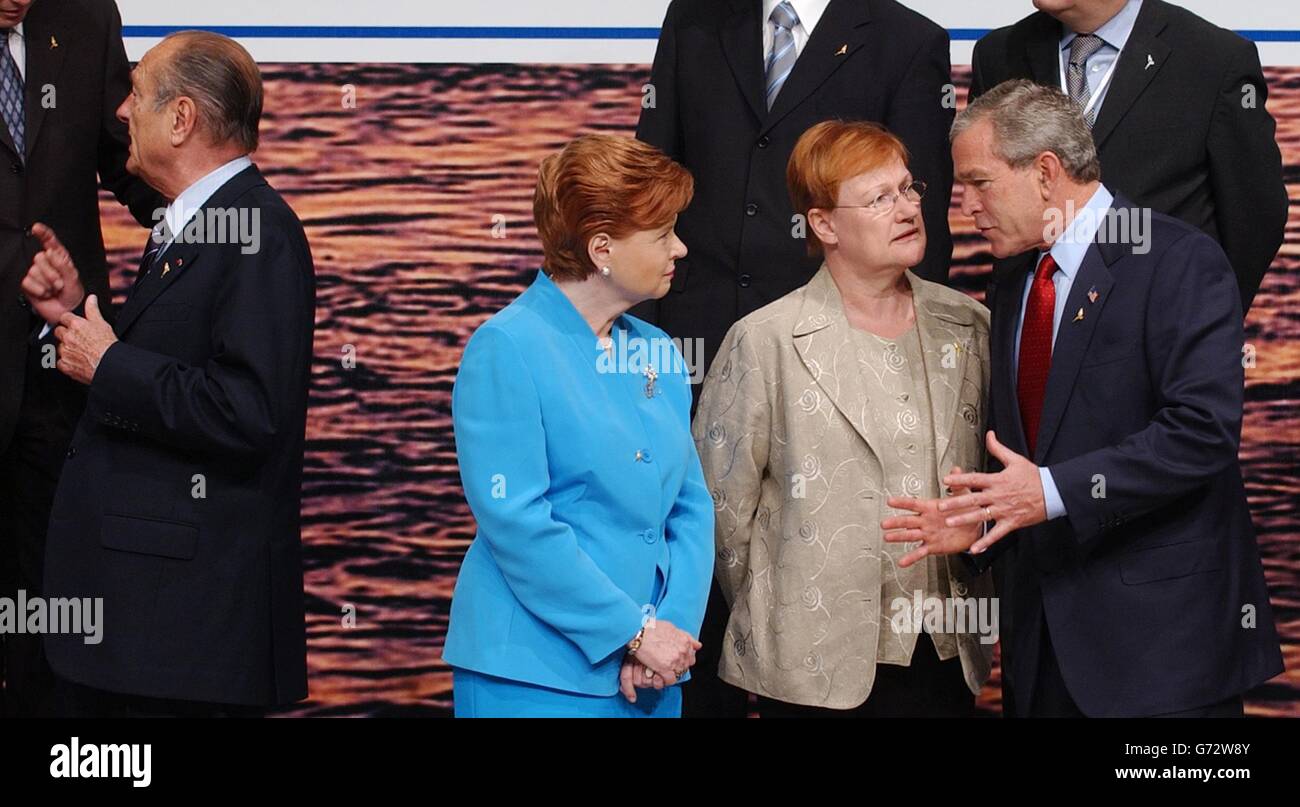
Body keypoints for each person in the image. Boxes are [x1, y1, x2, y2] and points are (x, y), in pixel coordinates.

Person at [891, 79, 1283, 717]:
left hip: (1162, 655)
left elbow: (1201, 434)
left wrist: (1045, 493)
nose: (966, 207)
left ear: (1045, 173)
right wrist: (981, 520)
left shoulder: (1177, 259)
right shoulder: (1017, 278)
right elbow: (1034, 450)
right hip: (1041, 651)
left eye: (979, 183)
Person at [637, 0, 958, 718]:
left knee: (810, 585)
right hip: (688, 357)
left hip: (831, 374)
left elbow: (918, 233)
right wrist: (638, 351)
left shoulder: (907, 40)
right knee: (696, 578)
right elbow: (648, 188)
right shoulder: (695, 17)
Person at [22, 30, 315, 716]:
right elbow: (177, 367)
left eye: (138, 94)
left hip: (183, 643)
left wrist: (110, 362)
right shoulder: (199, 225)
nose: (121, 111)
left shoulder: (258, 231)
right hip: (150, 636)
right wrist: (72, 317)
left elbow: (249, 412)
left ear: (182, 118)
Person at [695, 120, 995, 717]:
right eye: (879, 198)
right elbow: (719, 514)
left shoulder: (970, 324)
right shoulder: (765, 340)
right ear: (824, 224)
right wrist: (779, 612)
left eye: (909, 190)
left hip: (946, 651)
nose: (906, 209)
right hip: (812, 663)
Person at [443, 134, 714, 718]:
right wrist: (632, 633)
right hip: (534, 677)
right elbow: (517, 522)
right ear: (601, 248)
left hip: (655, 678)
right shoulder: (507, 346)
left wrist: (671, 634)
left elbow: (691, 507)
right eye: (663, 234)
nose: (681, 248)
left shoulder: (659, 350)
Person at [0, 0, 163, 716]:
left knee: (48, 614)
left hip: (59, 369)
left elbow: (132, 165)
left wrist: (210, 221)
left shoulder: (87, 17)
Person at [970, 0, 1287, 311]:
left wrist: (1202, 316)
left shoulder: (1214, 58)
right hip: (1033, 328)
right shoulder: (998, 53)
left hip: (1157, 335)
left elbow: (1256, 214)